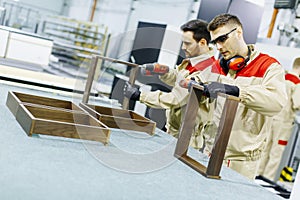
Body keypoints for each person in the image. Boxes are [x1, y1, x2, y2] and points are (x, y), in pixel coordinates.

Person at [185, 13, 287, 179]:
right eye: (215, 41)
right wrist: (194, 81)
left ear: (238, 32)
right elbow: (198, 78)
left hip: (241, 162)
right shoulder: (220, 66)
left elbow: (276, 103)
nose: (218, 46)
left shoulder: (269, 67)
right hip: (210, 152)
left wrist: (238, 91)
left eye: (222, 39)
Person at [123, 19, 216, 150]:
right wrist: (163, 71)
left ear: (202, 42)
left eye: (187, 43)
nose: (183, 47)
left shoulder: (208, 70)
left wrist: (140, 96)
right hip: (175, 131)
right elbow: (179, 79)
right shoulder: (193, 63)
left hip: (186, 139)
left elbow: (175, 99)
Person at [257, 57, 300, 181]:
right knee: (277, 151)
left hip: (271, 117)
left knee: (265, 148)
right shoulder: (297, 84)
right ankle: (267, 178)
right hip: (284, 123)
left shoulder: (281, 78)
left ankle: (257, 174)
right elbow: (297, 104)